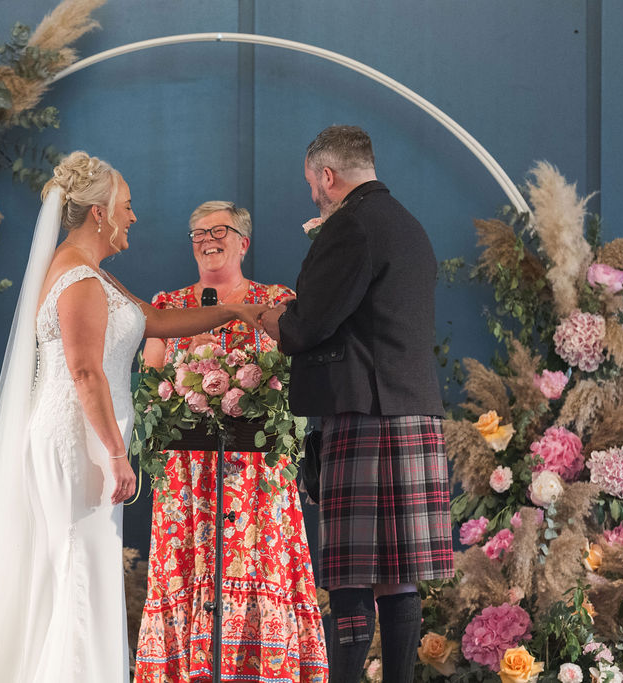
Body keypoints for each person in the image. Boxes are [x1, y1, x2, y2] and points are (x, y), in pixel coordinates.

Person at [0, 153, 265, 683]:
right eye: (127, 206)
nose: (134, 217)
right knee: (80, 566)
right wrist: (117, 454)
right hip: (79, 442)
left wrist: (236, 312)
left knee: (82, 567)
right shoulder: (78, 277)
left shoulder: (92, 273)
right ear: (100, 212)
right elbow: (84, 373)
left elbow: (157, 320)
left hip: (87, 439)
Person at [261, 126, 455, 683]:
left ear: (328, 175)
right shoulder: (409, 225)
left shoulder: (350, 225)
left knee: (351, 575)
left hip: (368, 416)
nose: (312, 197)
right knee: (399, 575)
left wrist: (269, 317)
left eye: (311, 184)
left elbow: (307, 327)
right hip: (412, 410)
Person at [134, 202, 328, 683]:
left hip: (258, 479)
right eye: (197, 232)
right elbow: (147, 384)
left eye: (219, 229)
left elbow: (299, 377)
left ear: (244, 241)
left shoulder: (276, 299)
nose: (206, 238)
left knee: (263, 566)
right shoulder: (168, 306)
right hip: (186, 479)